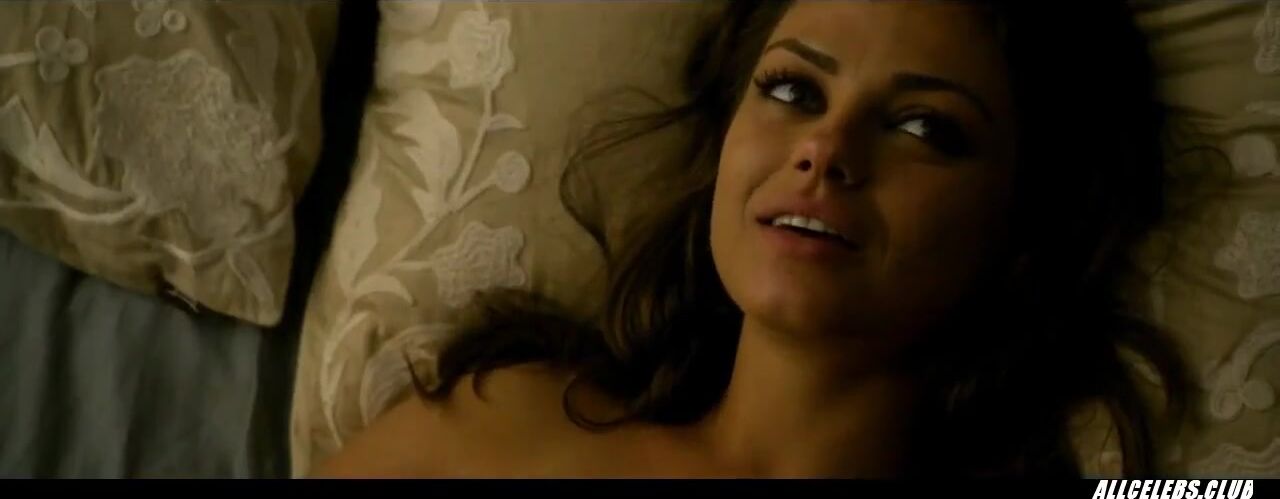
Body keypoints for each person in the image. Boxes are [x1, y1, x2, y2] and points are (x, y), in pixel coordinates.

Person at [314, 0, 1192, 478]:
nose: (826, 148)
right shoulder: (499, 422)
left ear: (1025, 225)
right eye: (793, 91)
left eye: (924, 127)